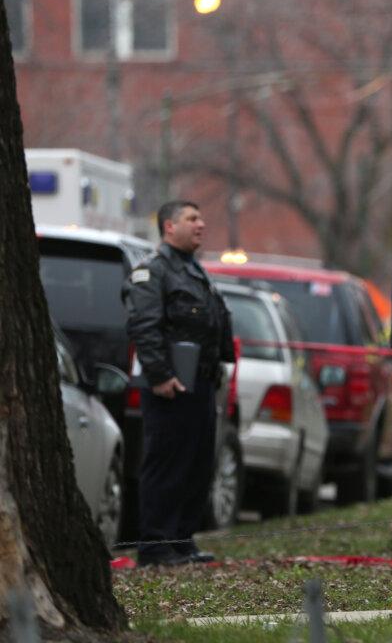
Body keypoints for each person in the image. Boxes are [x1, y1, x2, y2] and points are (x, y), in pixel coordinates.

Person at [123, 200, 234, 567]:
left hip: (200, 384)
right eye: (192, 219)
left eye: (201, 217)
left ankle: (181, 541)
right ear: (169, 226)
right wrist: (159, 376)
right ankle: (155, 545)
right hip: (170, 386)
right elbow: (144, 326)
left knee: (198, 466)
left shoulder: (194, 271)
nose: (201, 224)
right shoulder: (153, 271)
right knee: (166, 465)